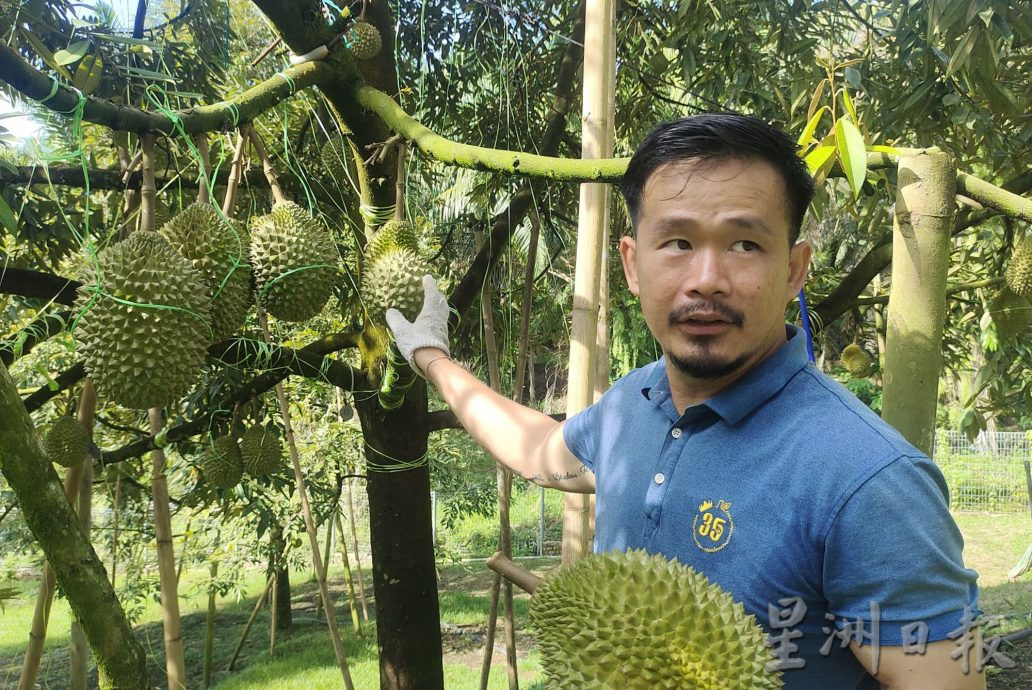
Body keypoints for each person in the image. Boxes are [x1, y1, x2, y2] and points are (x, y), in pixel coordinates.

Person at [386, 113, 985, 689]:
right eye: (676, 241)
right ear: (632, 264)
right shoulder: (630, 406)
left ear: (796, 269)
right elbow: (539, 448)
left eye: (745, 245)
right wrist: (432, 358)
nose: (706, 278)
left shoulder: (869, 480)